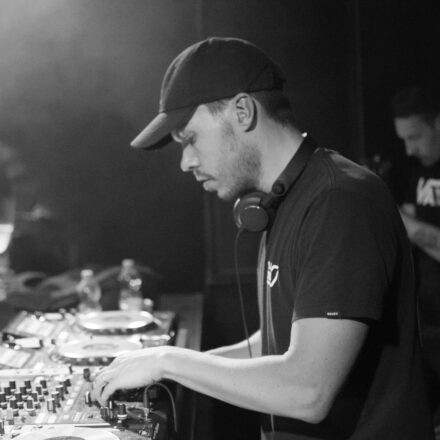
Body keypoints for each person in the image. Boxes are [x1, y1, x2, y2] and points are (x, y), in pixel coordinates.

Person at [91, 37, 432, 439]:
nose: (186, 162)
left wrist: (168, 361)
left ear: (242, 111)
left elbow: (308, 389)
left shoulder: (340, 200)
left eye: (190, 138)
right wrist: (159, 368)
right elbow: (274, 344)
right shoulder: (283, 202)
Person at [391, 84, 440, 434]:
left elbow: (410, 227)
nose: (410, 148)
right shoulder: (417, 171)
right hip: (427, 316)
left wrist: (402, 221)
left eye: (415, 137)